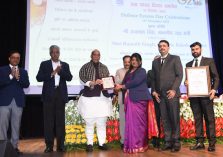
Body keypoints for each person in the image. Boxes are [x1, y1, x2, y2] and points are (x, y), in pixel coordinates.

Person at [36, 45, 73, 153]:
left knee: (60, 121)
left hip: (60, 95)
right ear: (50, 53)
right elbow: (38, 78)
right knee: (48, 122)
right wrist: (52, 73)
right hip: (48, 95)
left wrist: (60, 71)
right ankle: (49, 145)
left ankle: (61, 145)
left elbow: (69, 77)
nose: (55, 54)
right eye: (53, 52)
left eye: (57, 52)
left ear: (59, 53)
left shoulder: (65, 65)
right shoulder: (44, 64)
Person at [185, 42, 219, 152]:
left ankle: (211, 143)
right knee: (198, 119)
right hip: (194, 96)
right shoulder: (188, 64)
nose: (194, 51)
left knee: (209, 119)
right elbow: (188, 80)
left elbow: (216, 77)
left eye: (196, 49)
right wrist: (186, 82)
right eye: (193, 49)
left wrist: (214, 89)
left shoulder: (209, 61)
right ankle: (199, 142)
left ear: (200, 49)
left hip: (206, 96)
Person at [78, 49, 112, 152]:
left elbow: (108, 81)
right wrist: (92, 82)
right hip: (89, 98)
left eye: (98, 55)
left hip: (102, 98)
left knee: (101, 122)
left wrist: (107, 85)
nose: (96, 56)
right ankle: (89, 143)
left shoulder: (104, 67)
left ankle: (102, 143)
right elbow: (81, 77)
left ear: (100, 56)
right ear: (91, 56)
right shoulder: (85, 67)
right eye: (94, 54)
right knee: (90, 122)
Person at [151, 40, 183, 152]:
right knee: (164, 120)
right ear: (158, 48)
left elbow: (179, 75)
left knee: (174, 118)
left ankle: (176, 142)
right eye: (160, 46)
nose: (162, 48)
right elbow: (153, 79)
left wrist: (174, 90)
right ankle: (168, 142)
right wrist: (154, 91)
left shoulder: (175, 58)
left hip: (171, 94)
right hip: (160, 96)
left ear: (168, 47)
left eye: (164, 46)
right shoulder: (155, 62)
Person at [116, 53, 150, 153]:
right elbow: (123, 83)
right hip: (129, 100)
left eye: (135, 60)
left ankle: (139, 145)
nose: (133, 61)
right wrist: (117, 86)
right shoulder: (129, 71)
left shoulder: (142, 71)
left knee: (139, 124)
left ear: (140, 61)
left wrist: (122, 87)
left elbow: (136, 82)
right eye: (132, 60)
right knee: (130, 123)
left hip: (139, 100)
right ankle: (131, 145)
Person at [0, 51, 30, 155]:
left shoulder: (23, 71)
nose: (15, 59)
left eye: (18, 58)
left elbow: (26, 84)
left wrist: (18, 78)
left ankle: (14, 147)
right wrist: (10, 76)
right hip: (4, 101)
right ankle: (2, 148)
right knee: (2, 125)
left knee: (16, 125)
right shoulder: (2, 70)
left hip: (18, 101)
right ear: (9, 58)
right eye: (13, 57)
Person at [115, 55, 131, 148]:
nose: (127, 63)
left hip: (134, 100)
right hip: (122, 99)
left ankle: (133, 140)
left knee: (133, 121)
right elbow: (117, 85)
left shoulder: (135, 71)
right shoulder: (119, 71)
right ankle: (123, 141)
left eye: (129, 61)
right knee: (123, 121)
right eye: (125, 62)